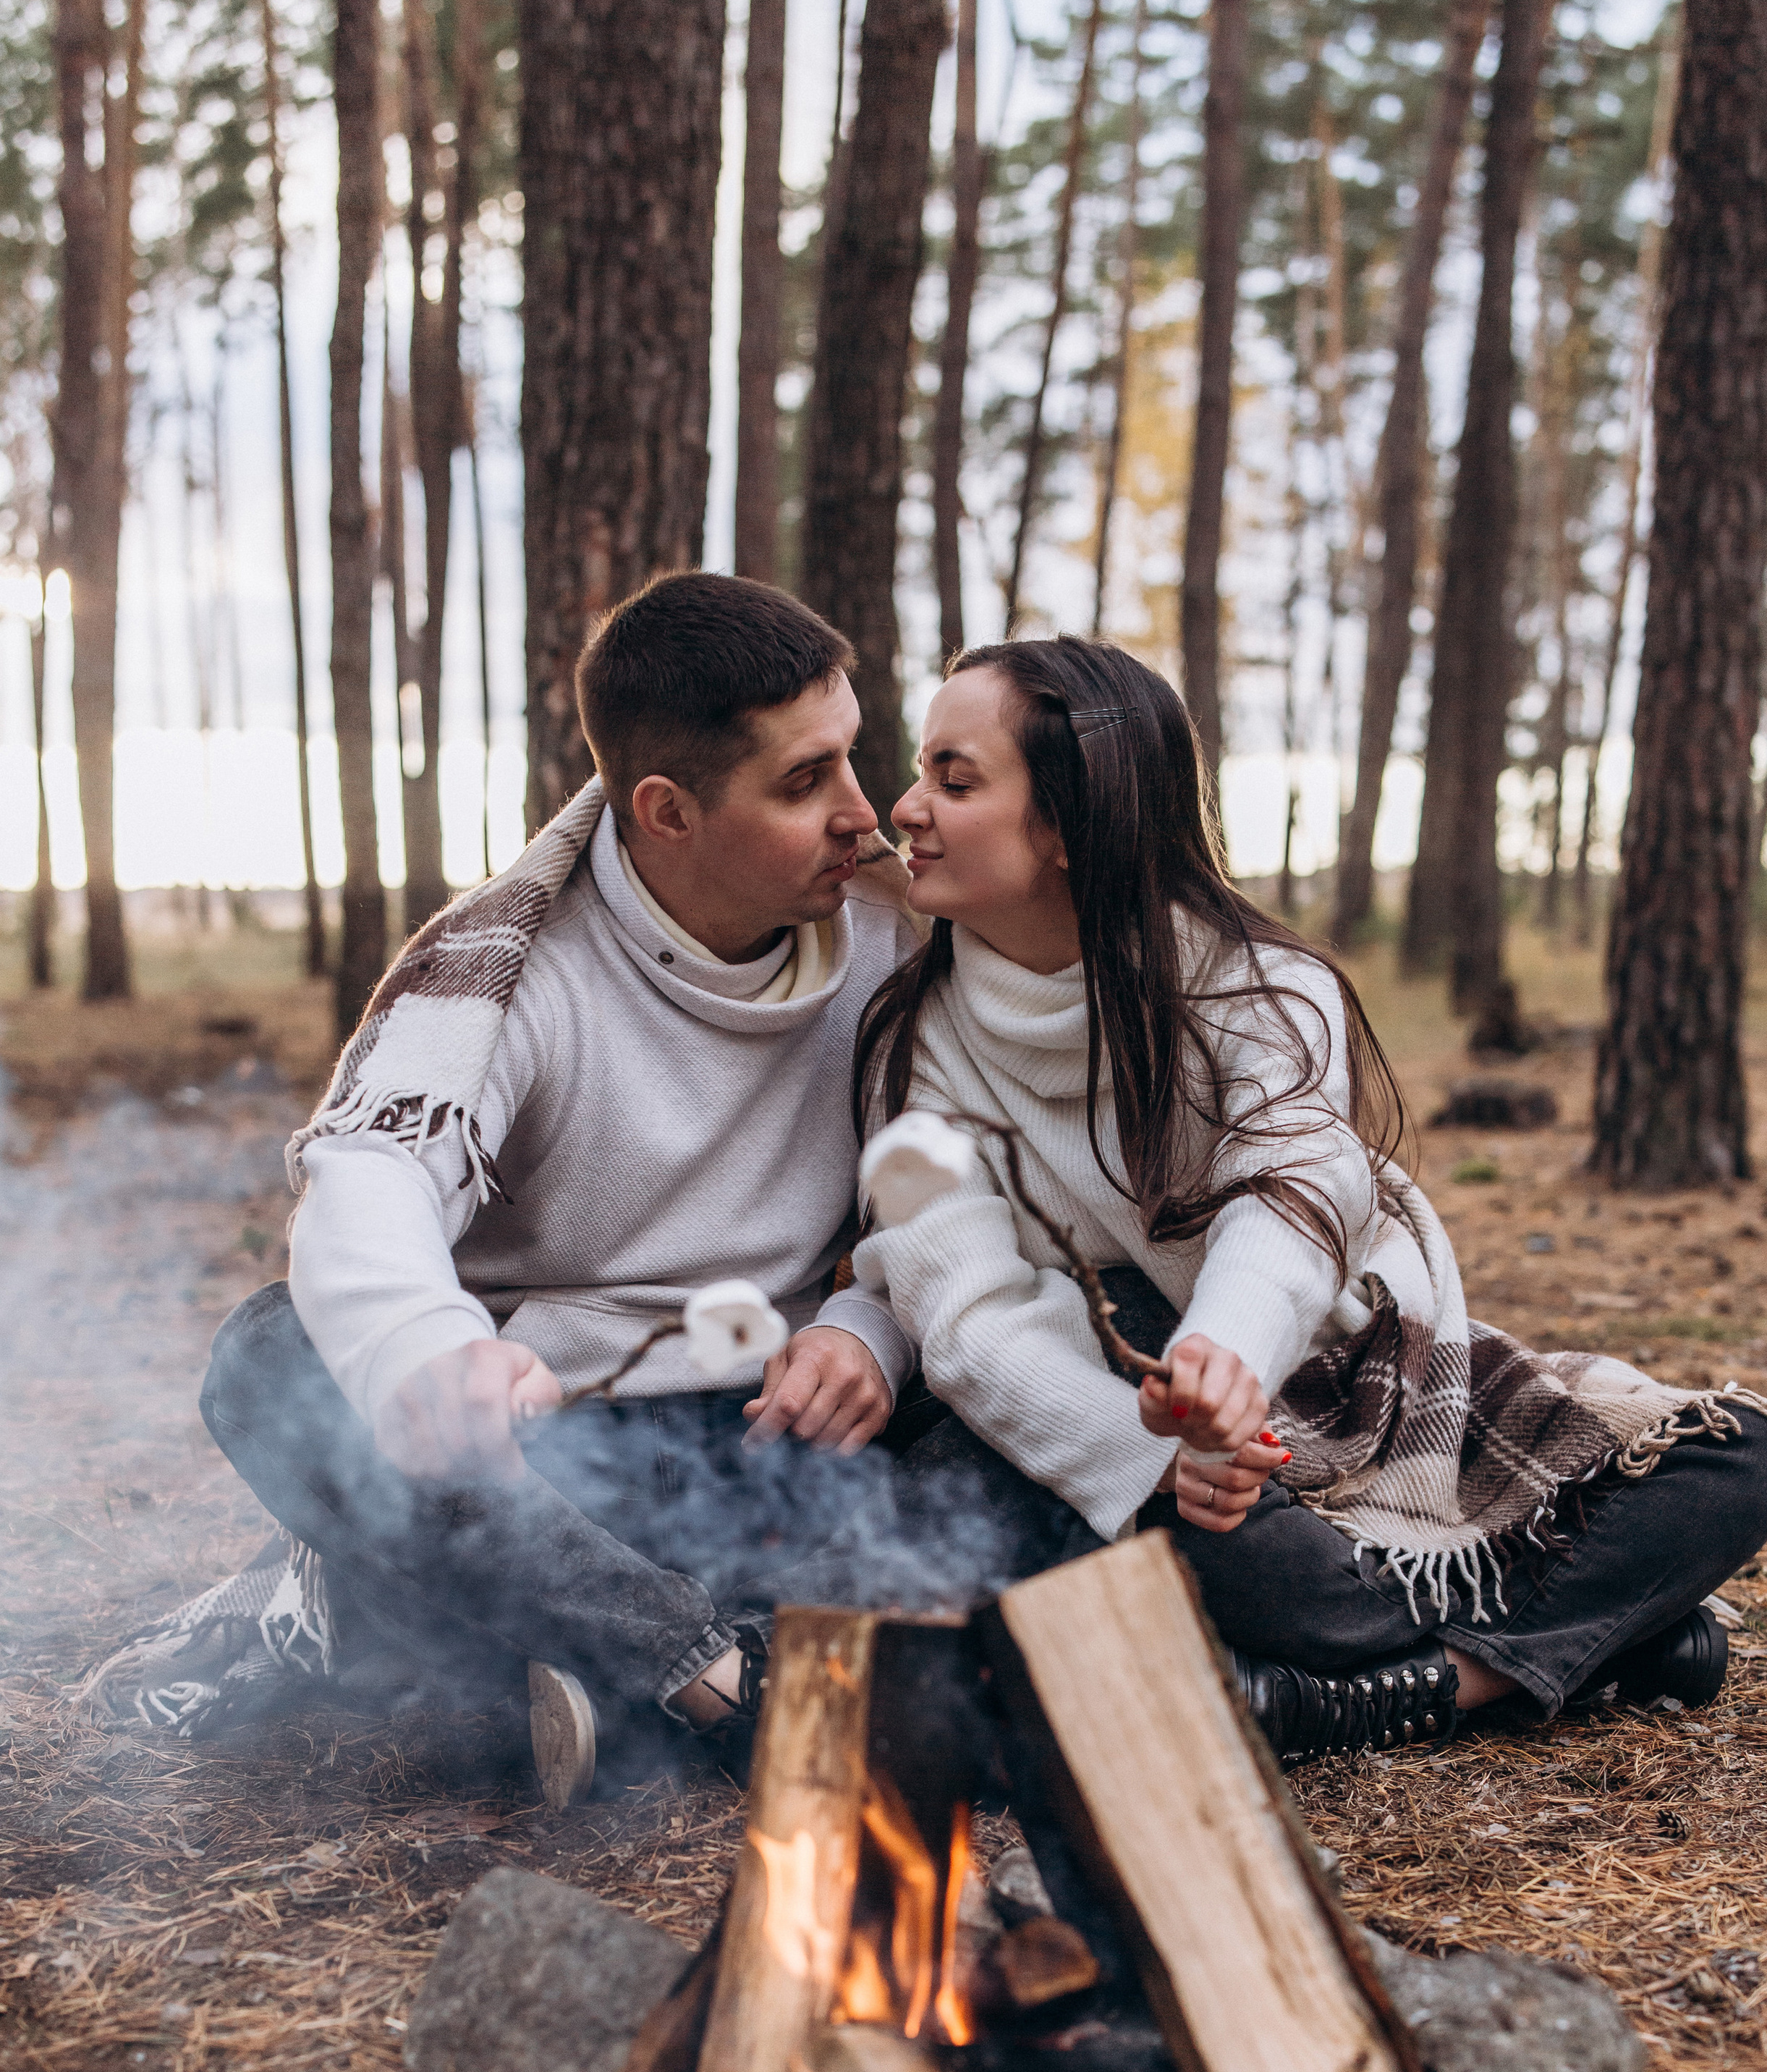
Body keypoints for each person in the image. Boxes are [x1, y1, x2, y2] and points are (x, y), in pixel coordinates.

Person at [86, 578, 1066, 1801]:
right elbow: (373, 1171)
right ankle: (712, 1679)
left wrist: (866, 1327)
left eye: (853, 758)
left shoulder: (894, 937)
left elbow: (945, 1189)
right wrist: (429, 1351)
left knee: (1041, 1357)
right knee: (271, 1354)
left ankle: (532, 1656)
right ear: (666, 811)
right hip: (552, 1460)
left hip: (772, 1443)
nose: (864, 815)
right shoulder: (510, 970)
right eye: (805, 781)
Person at [844, 635, 1767, 1760]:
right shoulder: (916, 1047)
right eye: (923, 774)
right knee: (1257, 1564)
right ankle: (1618, 1645)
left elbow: (1300, 1184)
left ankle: (1383, 1696)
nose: (906, 806)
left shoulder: (1261, 987)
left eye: (955, 781)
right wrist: (1162, 1449)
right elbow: (966, 1316)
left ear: (1067, 826)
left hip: (1359, 1368)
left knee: (1742, 1457)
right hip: (1136, 1417)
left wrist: (1227, 1360)